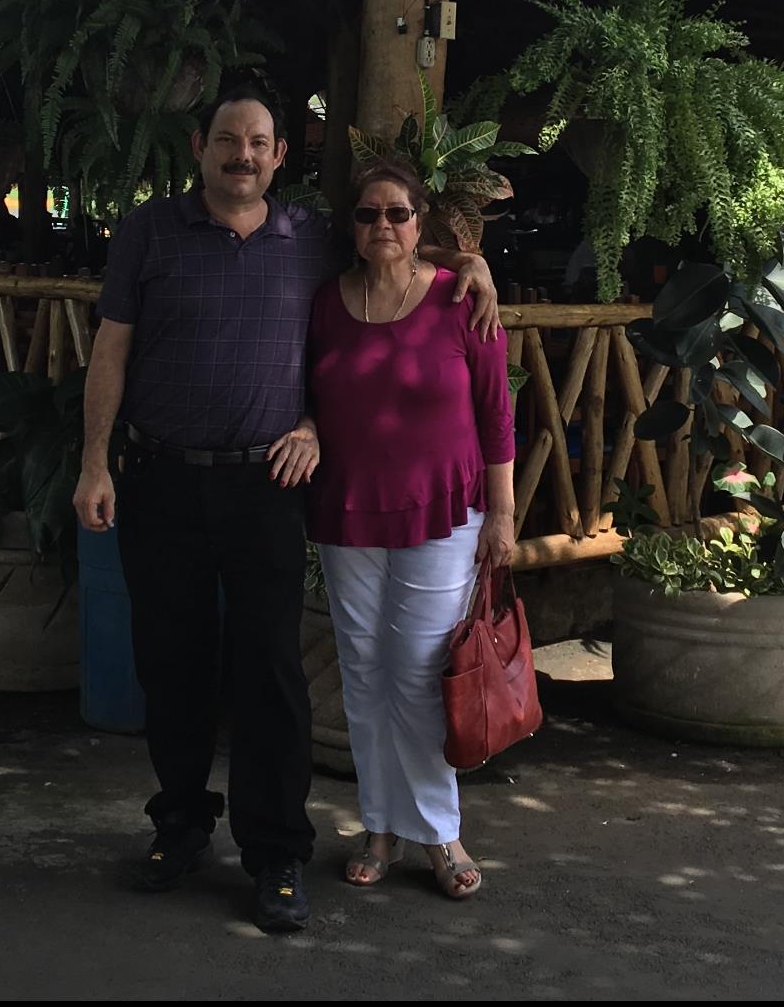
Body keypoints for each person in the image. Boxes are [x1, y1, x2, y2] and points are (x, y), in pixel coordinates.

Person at [72, 84, 499, 934]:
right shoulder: (150, 232)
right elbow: (110, 351)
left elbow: (398, 249)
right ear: (201, 147)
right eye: (228, 139)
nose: (243, 154)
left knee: (271, 673)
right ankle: (181, 827)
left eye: (260, 142)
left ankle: (276, 853)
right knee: (172, 663)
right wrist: (94, 463)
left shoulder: (306, 237)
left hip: (266, 486)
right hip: (159, 476)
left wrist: (471, 263)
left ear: (278, 156)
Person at [306, 161, 515, 899]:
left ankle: (440, 831)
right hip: (348, 506)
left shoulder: (461, 299)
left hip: (443, 509)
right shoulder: (326, 303)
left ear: (420, 224)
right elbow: (302, 388)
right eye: (368, 215)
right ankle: (379, 824)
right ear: (352, 228)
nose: (383, 227)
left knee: (422, 673)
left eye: (398, 214)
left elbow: (496, 413)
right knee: (362, 671)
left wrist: (504, 514)